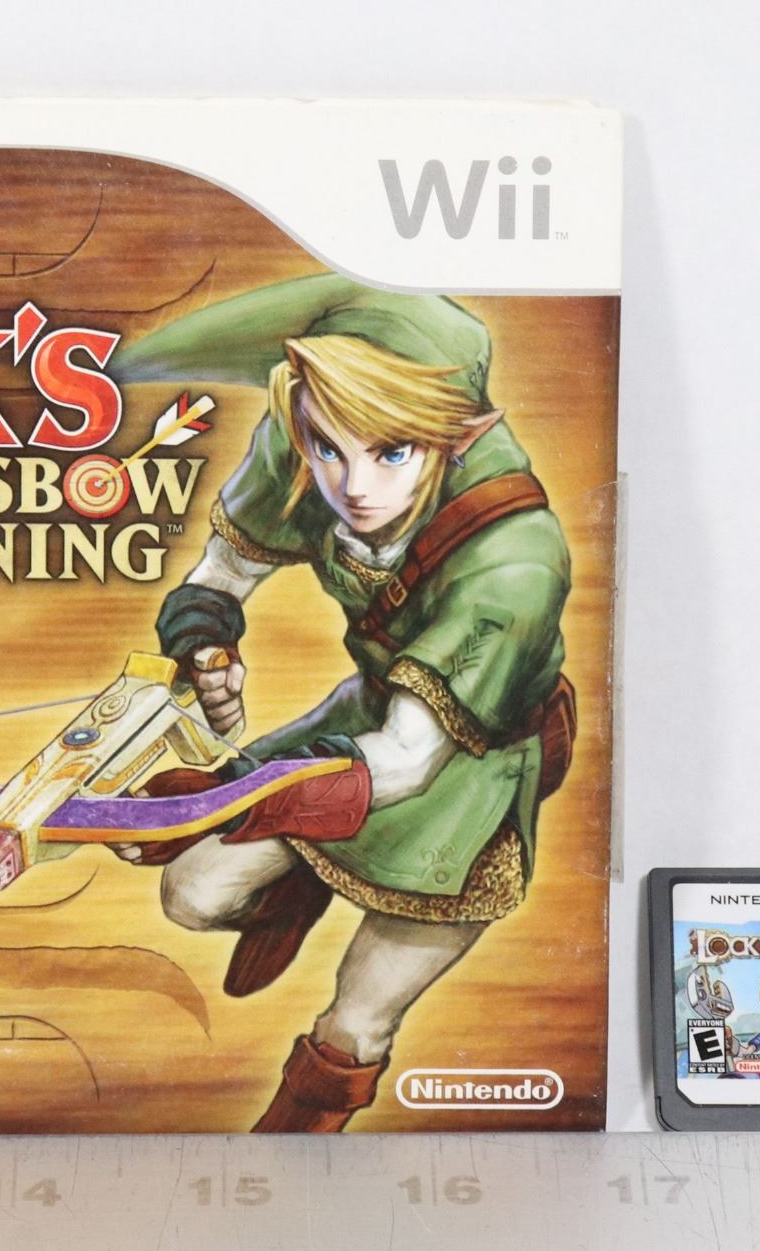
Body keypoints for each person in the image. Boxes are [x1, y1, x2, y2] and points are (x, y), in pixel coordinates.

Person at [109, 273, 577, 1132]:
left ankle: (287, 1170)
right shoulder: (316, 422)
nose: (352, 485)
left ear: (461, 434)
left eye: (393, 453)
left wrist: (230, 798)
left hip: (467, 775)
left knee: (355, 1022)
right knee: (192, 894)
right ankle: (307, 882)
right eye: (329, 449)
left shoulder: (517, 558)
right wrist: (208, 645)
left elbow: (408, 761)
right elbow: (223, 572)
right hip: (367, 717)